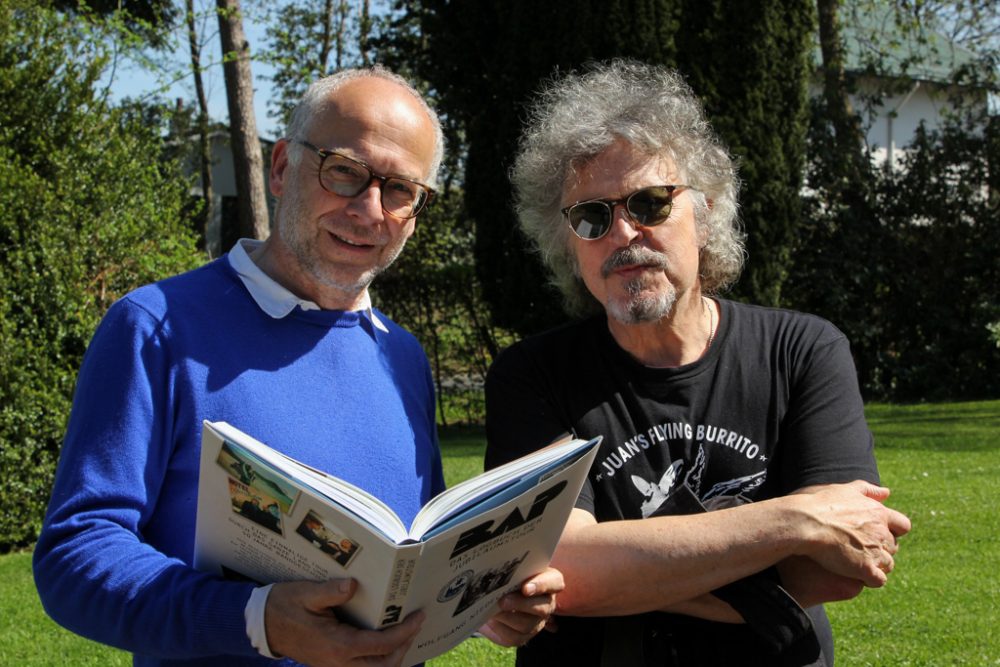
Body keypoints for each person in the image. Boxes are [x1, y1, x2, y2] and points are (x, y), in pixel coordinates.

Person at [34, 65, 561, 667]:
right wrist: (256, 620)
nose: (369, 210)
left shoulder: (402, 355)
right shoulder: (155, 326)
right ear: (282, 167)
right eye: (345, 171)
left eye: (399, 190)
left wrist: (480, 605)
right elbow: (74, 556)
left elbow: (408, 568)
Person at [484, 59, 911, 666]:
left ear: (705, 212)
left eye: (651, 202)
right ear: (567, 241)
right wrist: (793, 520)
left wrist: (619, 568)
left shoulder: (803, 351)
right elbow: (559, 567)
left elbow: (841, 568)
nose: (625, 233)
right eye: (592, 216)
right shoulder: (531, 375)